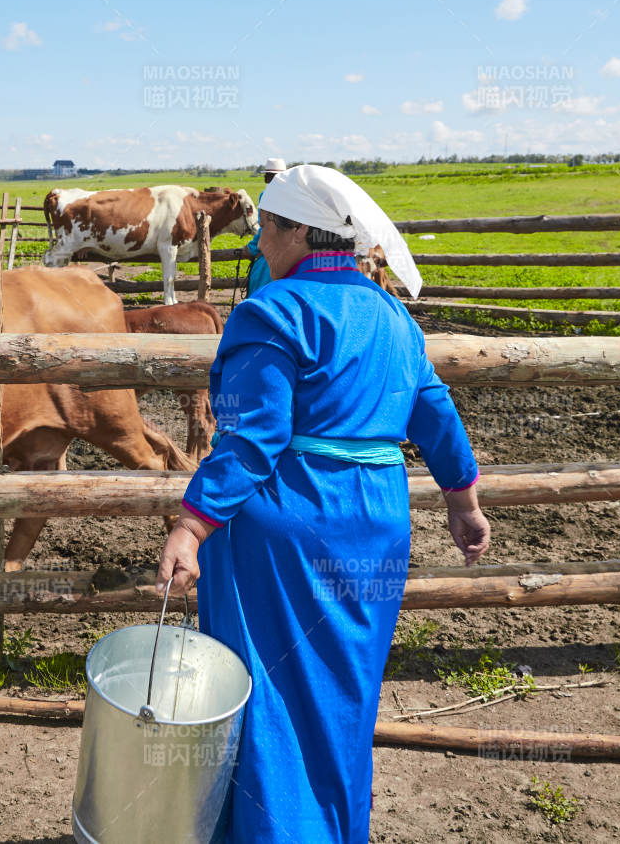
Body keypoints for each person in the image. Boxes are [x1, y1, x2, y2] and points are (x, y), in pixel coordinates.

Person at [156, 165, 490, 843]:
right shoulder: (392, 314)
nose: (259, 246)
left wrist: (191, 524)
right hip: (376, 521)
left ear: (301, 232)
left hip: (289, 526)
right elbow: (434, 412)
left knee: (271, 694)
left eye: (268, 230)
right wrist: (464, 501)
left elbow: (254, 438)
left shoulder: (272, 312)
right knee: (344, 691)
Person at [243, 157, 287, 296]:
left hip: (271, 253)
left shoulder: (266, 195)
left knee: (259, 279)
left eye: (269, 176)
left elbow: (265, 227)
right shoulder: (295, 196)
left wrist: (252, 248)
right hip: (293, 249)